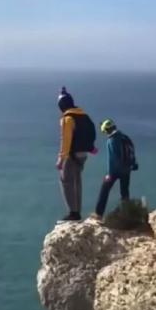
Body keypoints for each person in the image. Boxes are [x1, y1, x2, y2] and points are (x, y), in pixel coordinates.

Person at [56, 87, 97, 221]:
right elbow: (91, 132)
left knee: (66, 181)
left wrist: (61, 159)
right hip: (83, 154)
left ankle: (73, 213)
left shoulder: (67, 119)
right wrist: (91, 147)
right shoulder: (84, 115)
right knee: (77, 181)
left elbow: (66, 140)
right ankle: (77, 211)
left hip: (71, 155)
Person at [92, 119, 138, 221]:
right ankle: (127, 214)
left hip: (116, 171)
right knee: (124, 192)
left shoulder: (111, 140)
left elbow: (113, 159)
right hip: (127, 169)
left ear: (106, 130)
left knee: (104, 190)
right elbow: (131, 151)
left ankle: (98, 214)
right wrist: (133, 164)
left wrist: (109, 174)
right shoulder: (125, 137)